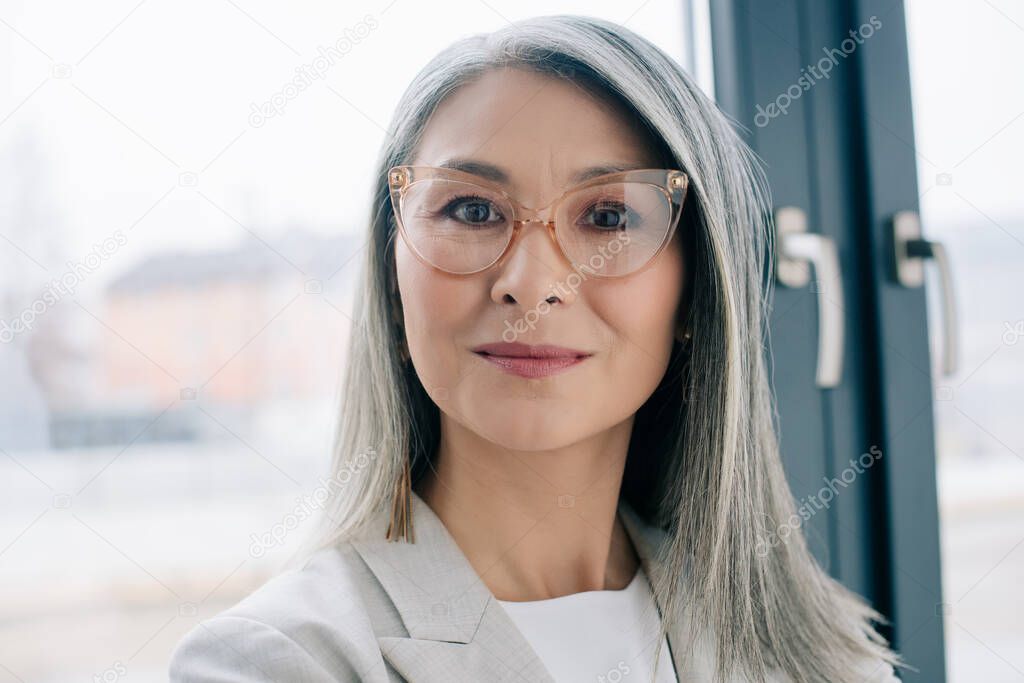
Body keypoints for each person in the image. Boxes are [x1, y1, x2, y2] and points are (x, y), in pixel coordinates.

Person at [169, 14, 906, 682]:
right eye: (472, 209)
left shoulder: (818, 650)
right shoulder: (278, 661)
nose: (533, 283)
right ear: (393, 287)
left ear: (695, 291)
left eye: (609, 215)